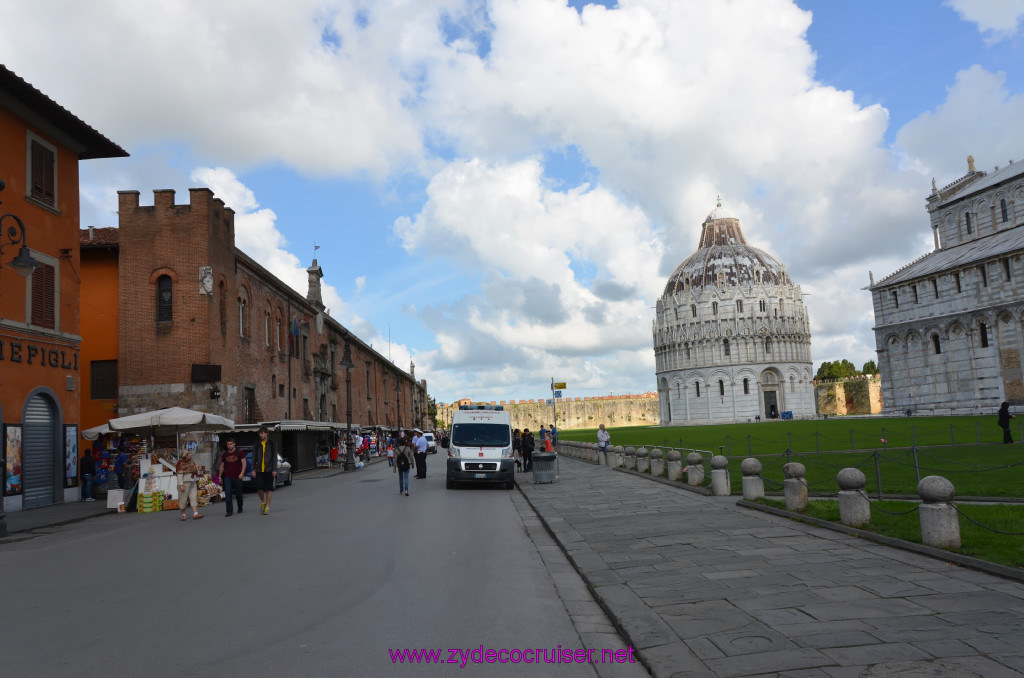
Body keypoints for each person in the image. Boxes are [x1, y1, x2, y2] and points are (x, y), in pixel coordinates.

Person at [252, 426, 278, 515]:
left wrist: (274, 469)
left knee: (268, 488)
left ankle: (267, 507)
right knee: (259, 488)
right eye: (259, 433)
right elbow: (253, 457)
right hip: (259, 470)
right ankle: (263, 502)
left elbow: (274, 457)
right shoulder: (257, 444)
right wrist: (252, 469)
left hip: (269, 469)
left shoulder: (272, 443)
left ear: (266, 433)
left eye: (262, 433)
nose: (260, 435)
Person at [218, 438, 246, 516]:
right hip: (228, 477)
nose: (229, 446)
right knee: (228, 493)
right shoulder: (224, 454)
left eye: (231, 444)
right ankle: (229, 511)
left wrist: (242, 473)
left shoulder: (239, 452)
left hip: (237, 476)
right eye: (228, 444)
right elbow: (222, 466)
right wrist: (219, 476)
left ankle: (240, 506)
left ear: (234, 444)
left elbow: (244, 462)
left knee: (239, 494)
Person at [175, 450, 202, 520]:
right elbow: (179, 474)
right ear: (185, 455)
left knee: (193, 497)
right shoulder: (180, 462)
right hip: (185, 482)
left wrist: (196, 470)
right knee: (183, 499)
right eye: (189, 454)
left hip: (193, 481)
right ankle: (183, 514)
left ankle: (195, 513)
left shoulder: (192, 462)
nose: (191, 455)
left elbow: (195, 471)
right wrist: (181, 485)